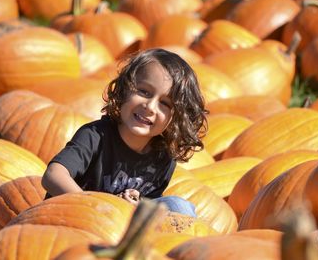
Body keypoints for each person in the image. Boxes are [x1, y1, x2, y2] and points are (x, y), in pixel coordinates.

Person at [41, 48, 208, 217]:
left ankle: (181, 242)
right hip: (71, 218)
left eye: (165, 103)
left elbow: (146, 205)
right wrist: (93, 207)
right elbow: (53, 175)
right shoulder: (95, 136)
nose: (149, 107)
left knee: (177, 206)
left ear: (177, 118)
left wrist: (136, 203)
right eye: (143, 92)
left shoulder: (163, 157)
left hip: (116, 229)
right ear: (124, 89)